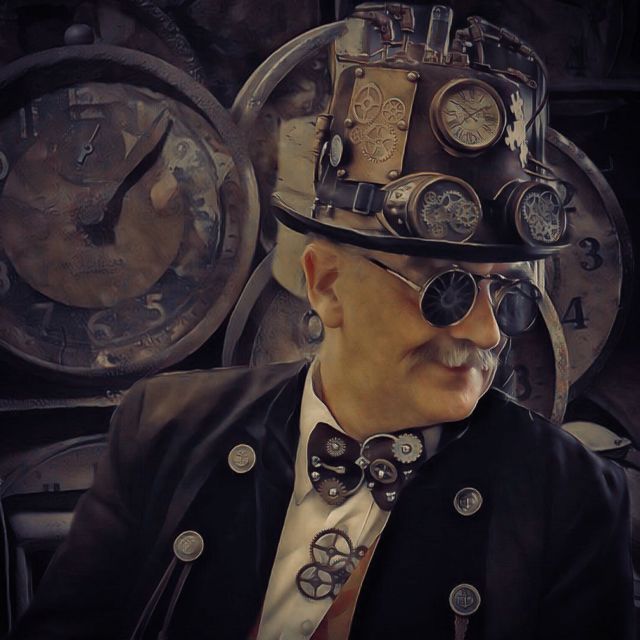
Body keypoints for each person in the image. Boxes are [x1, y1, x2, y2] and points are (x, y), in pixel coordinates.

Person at [9, 3, 635, 639]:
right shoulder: (166, 431)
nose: (488, 333)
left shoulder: (571, 499)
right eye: (443, 292)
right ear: (326, 284)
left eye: (507, 295)